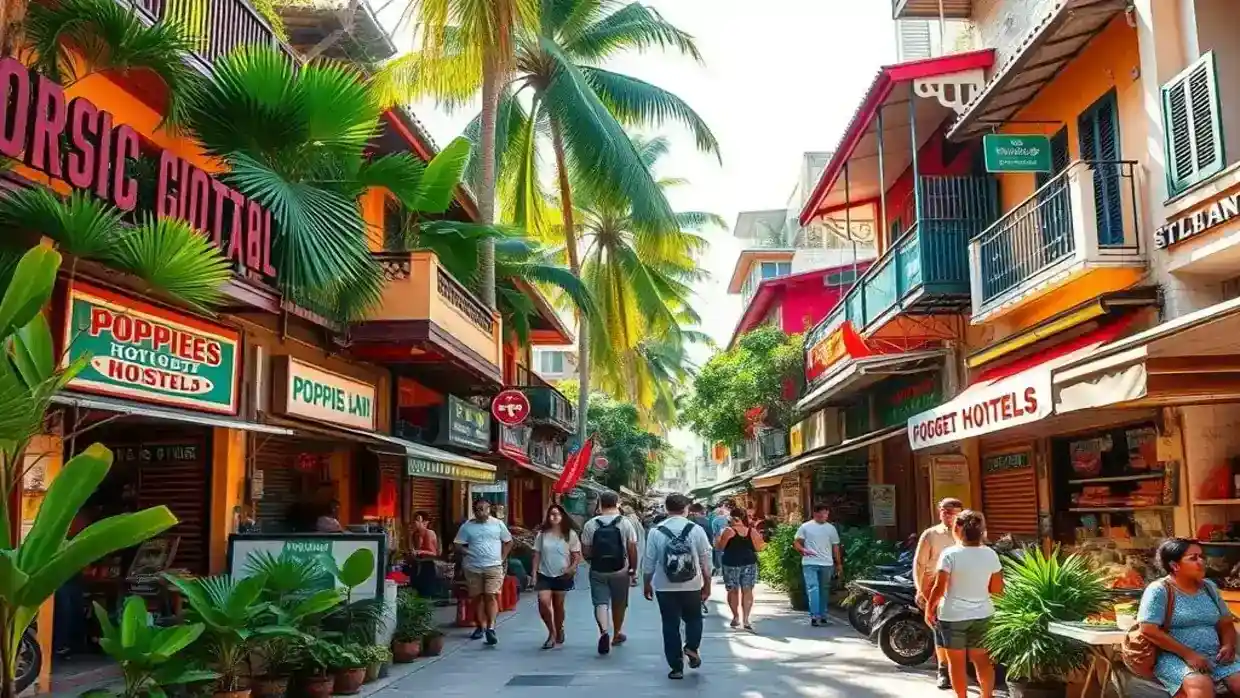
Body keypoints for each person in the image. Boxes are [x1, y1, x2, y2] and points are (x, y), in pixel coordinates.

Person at [1137, 538, 1240, 697]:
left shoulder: (1209, 588)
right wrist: (1189, 654)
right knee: (1200, 684)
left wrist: (1228, 645)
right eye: (1193, 558)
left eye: (1201, 557)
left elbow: (1225, 622)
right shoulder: (1159, 590)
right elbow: (1148, 629)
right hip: (1175, 657)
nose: (1201, 562)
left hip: (1215, 655)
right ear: (1174, 565)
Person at [924, 510, 1003, 698]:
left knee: (956, 664)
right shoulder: (990, 555)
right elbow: (997, 589)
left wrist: (929, 609)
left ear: (958, 529)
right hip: (983, 615)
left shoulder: (950, 554)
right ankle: (987, 696)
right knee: (983, 661)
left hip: (953, 616)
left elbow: (939, 588)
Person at [642, 493, 713, 680]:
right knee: (694, 618)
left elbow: (649, 561)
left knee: (670, 624)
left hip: (664, 586)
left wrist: (646, 583)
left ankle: (676, 667)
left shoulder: (656, 531)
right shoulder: (696, 530)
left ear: (666, 509)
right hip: (692, 584)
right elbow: (706, 559)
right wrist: (707, 583)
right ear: (686, 509)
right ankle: (691, 647)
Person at [582, 491, 640, 654]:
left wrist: (593, 562)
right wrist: (633, 569)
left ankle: (604, 632)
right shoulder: (626, 523)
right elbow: (632, 548)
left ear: (600, 503)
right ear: (617, 503)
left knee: (600, 602)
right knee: (619, 602)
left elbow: (585, 550)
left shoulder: (590, 524)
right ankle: (617, 633)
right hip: (620, 569)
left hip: (598, 570)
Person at [915, 497, 964, 690]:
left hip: (961, 586)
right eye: (944, 510)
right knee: (940, 630)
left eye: (952, 512)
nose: (948, 515)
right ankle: (943, 670)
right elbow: (919, 564)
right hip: (934, 586)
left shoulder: (966, 534)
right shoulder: (931, 534)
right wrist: (920, 589)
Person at [453, 499, 513, 646]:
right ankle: (481, 626)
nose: (480, 512)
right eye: (477, 510)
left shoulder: (498, 524)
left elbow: (508, 541)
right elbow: (457, 544)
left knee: (490, 596)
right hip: (473, 567)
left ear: (489, 509)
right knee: (477, 598)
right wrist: (467, 552)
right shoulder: (467, 526)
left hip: (493, 566)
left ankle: (491, 628)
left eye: (483, 509)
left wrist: (502, 558)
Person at [531, 504, 582, 650]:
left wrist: (572, 568)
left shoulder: (570, 534)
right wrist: (534, 573)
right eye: (551, 514)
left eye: (557, 514)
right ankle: (551, 633)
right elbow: (536, 554)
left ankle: (559, 629)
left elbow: (576, 555)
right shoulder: (542, 534)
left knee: (558, 606)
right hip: (544, 574)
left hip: (562, 574)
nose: (554, 517)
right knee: (543, 603)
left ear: (562, 517)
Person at [716, 506, 765, 630]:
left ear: (733, 517)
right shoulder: (751, 531)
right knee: (747, 591)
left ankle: (736, 617)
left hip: (731, 563)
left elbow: (720, 547)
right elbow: (759, 548)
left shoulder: (728, 531)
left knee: (733, 591)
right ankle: (746, 619)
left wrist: (717, 539)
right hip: (749, 563)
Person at [794, 503, 842, 627]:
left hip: (827, 563)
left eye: (825, 513)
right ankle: (815, 616)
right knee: (813, 588)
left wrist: (838, 563)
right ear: (814, 514)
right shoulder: (805, 527)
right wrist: (803, 550)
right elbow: (797, 543)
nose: (823, 516)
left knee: (824, 589)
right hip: (810, 562)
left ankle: (823, 614)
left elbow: (835, 547)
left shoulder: (831, 528)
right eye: (820, 514)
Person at [407, 511, 442, 599]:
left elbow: (434, 553)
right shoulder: (415, 534)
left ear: (425, 522)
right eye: (415, 519)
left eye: (418, 520)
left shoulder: (429, 533)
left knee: (425, 594)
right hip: (416, 565)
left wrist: (419, 552)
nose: (415, 522)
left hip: (427, 566)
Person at [621, 504, 647, 586]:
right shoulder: (636, 520)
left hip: (629, 543)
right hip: (639, 544)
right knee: (636, 561)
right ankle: (633, 578)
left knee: (627, 561)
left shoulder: (625, 521)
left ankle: (629, 578)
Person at [710, 502, 731, 577]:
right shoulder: (729, 519)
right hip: (729, 542)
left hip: (719, 541)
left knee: (719, 556)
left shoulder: (715, 520)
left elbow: (716, 534)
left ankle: (720, 572)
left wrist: (716, 545)